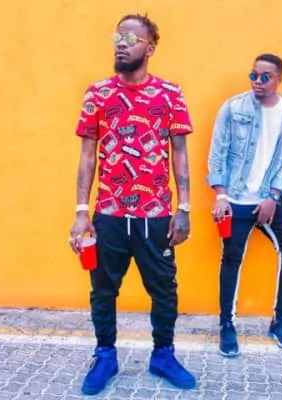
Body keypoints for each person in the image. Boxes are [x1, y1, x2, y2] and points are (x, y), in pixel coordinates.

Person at [68, 13, 196, 394]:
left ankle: (163, 355)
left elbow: (179, 152)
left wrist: (184, 208)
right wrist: (81, 212)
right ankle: (105, 355)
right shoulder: (97, 94)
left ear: (149, 48)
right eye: (117, 38)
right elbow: (87, 155)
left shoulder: (170, 94)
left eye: (130, 39)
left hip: (155, 215)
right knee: (103, 289)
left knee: (164, 289)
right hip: (109, 214)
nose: (120, 45)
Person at [207, 54, 282, 357]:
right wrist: (221, 195)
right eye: (254, 75)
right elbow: (218, 151)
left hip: (270, 196)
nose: (257, 82)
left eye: (265, 77)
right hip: (236, 198)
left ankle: (280, 321)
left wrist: (273, 197)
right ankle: (227, 324)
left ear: (279, 79)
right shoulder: (233, 108)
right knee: (231, 258)